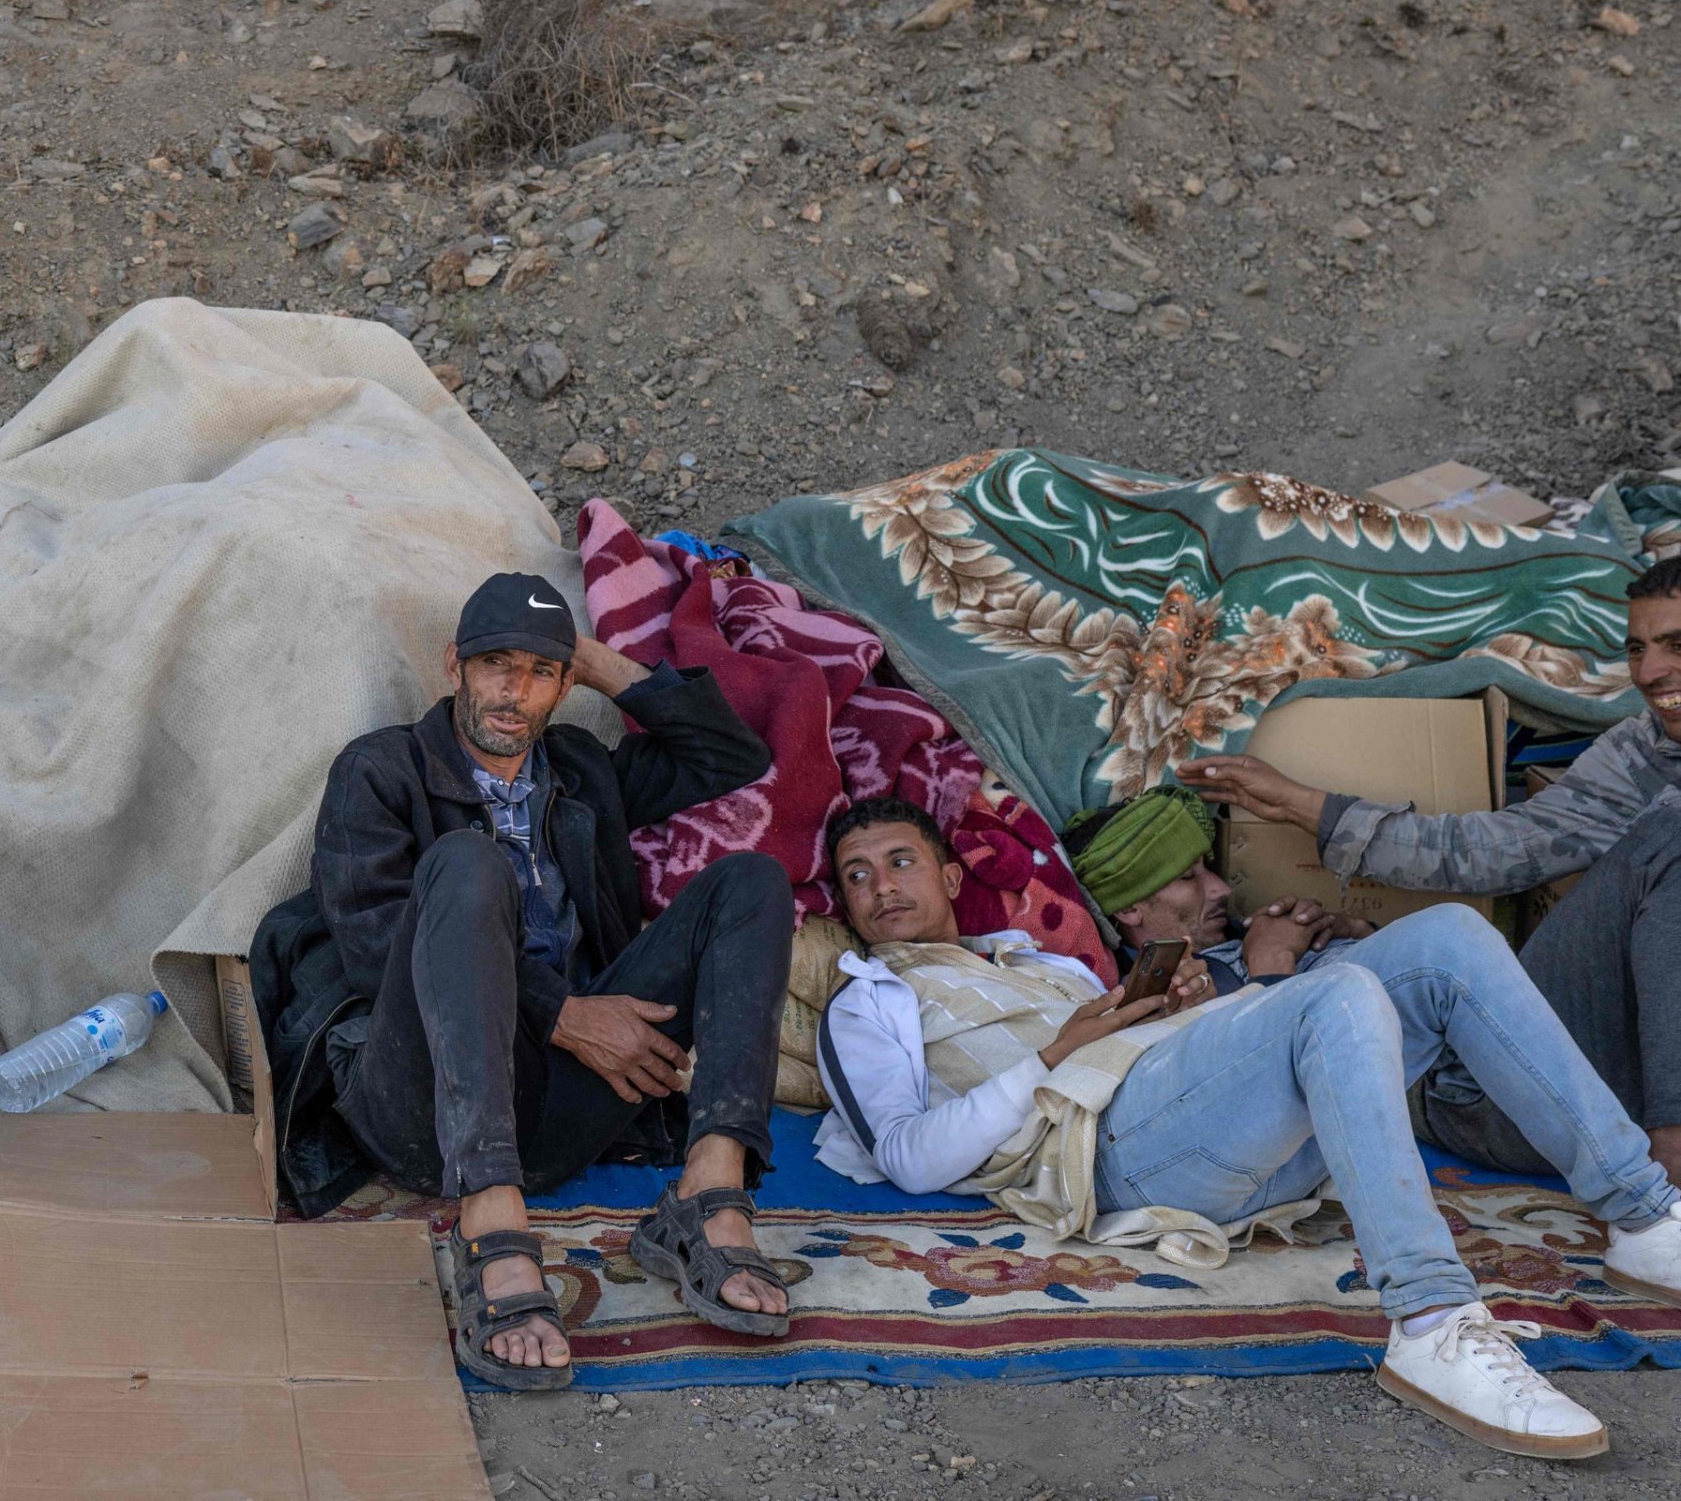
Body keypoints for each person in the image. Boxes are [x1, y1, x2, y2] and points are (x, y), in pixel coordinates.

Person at [814, 797, 1681, 1461]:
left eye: (900, 862)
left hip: (1201, 1131)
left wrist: (1186, 1013)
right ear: (846, 905)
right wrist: (1054, 1055)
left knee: (1447, 938)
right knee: (1335, 994)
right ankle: (1432, 1321)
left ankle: (1642, 1215)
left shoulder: (1039, 961)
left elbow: (1151, 1055)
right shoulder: (867, 1002)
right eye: (858, 875)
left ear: (950, 879)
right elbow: (907, 1158)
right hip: (1107, 1157)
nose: (883, 886)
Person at [249, 573, 788, 1392]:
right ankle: (492, 1229)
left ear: (566, 685)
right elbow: (373, 952)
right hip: (425, 1104)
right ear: (453, 667)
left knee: (751, 882)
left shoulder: (578, 768)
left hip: (562, 1099)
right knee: (467, 864)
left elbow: (731, 754)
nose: (514, 690)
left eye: (540, 671)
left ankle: (707, 1195)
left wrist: (606, 666)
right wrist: (562, 1012)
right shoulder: (381, 770)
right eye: (495, 663)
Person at [1181, 555, 1681, 1182]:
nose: (1651, 672)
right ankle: (1669, 1186)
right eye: (1638, 649)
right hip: (1508, 1098)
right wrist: (1303, 805)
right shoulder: (1645, 754)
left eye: (1675, 646)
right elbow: (1494, 850)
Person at [1061, 783, 1365, 996]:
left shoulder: (1241, 935)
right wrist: (1271, 960)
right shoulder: (1163, 1001)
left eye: (1208, 869)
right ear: (1129, 909)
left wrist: (1351, 928)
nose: (1221, 889)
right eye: (1188, 878)